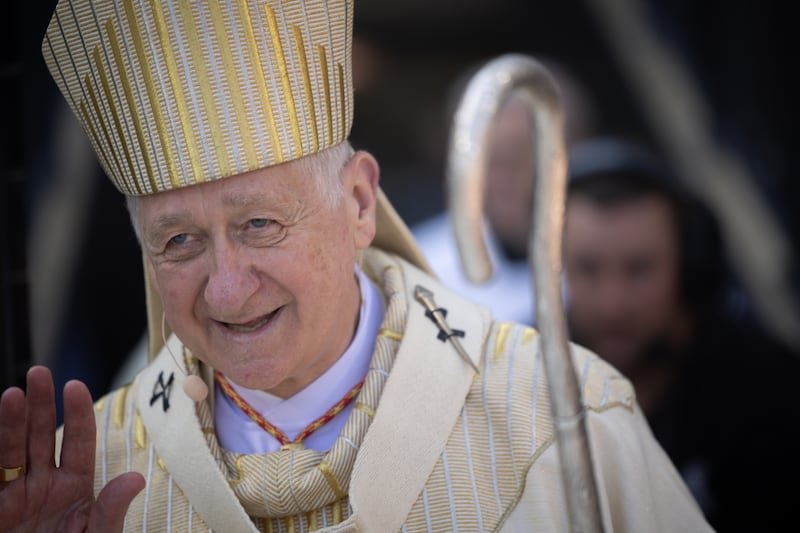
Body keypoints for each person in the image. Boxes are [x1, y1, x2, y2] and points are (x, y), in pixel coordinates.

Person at [0, 1, 711, 531]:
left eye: (259, 224)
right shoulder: (93, 469)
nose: (227, 286)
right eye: (179, 241)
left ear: (360, 202)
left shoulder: (563, 414)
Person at [562, 137, 800, 531]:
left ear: (690, 265)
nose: (613, 304)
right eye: (587, 269)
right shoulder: (525, 387)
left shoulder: (771, 389)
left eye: (639, 269)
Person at [413, 59, 595, 325]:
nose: (503, 176)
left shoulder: (613, 261)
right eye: (488, 156)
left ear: (575, 150)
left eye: (521, 154)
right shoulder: (420, 267)